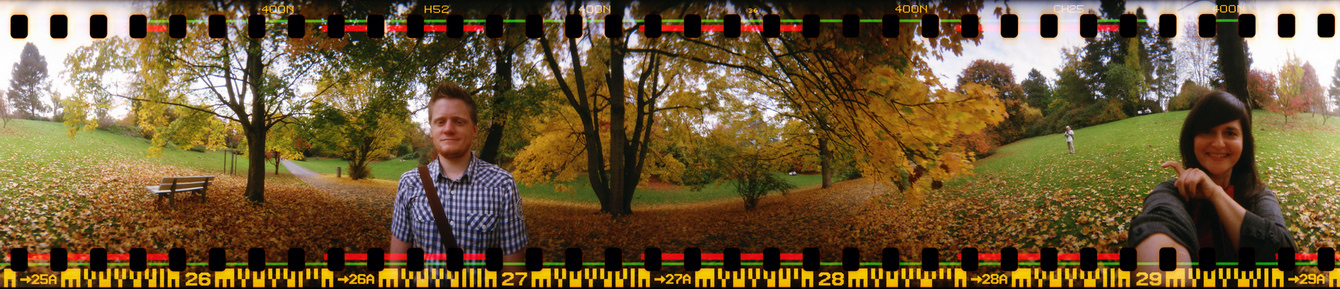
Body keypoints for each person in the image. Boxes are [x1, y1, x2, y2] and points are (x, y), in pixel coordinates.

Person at [1127, 91, 1296, 273]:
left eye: (1230, 133)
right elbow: (1161, 224)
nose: (1218, 143)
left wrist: (1215, 194)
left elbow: (1286, 262)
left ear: (1244, 142)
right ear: (1192, 139)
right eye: (1207, 131)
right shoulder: (1172, 192)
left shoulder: (1260, 195)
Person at [390, 81, 528, 270]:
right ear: (431, 130)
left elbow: (514, 271)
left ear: (474, 130)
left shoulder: (503, 185)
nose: (448, 129)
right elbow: (397, 266)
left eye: (459, 121)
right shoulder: (409, 183)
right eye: (440, 122)